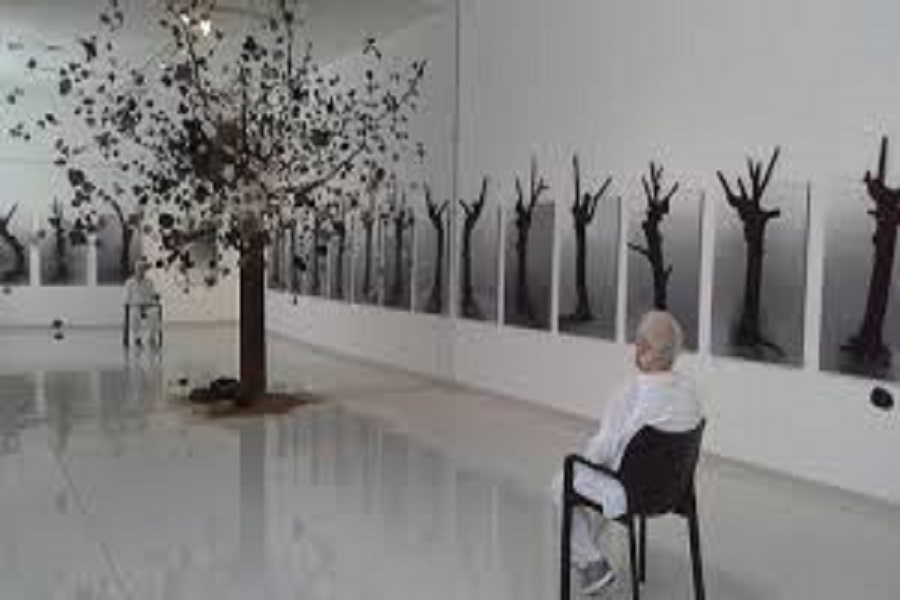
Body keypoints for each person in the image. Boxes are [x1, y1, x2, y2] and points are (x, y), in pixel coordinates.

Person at [552, 311, 703, 595]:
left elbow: (607, 448)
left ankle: (592, 563)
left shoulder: (633, 392)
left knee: (563, 482)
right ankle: (590, 557)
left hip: (631, 493)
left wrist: (584, 463)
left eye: (638, 343)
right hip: (673, 493)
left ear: (643, 349)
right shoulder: (690, 393)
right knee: (596, 485)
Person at [124, 261, 161, 348]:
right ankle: (137, 338)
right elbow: (127, 297)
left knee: (154, 313)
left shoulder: (149, 282)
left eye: (142, 269)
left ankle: (151, 337)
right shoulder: (129, 282)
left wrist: (156, 296)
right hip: (135, 306)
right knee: (134, 314)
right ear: (135, 270)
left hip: (148, 306)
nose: (141, 271)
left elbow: (153, 293)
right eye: (139, 269)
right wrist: (131, 303)